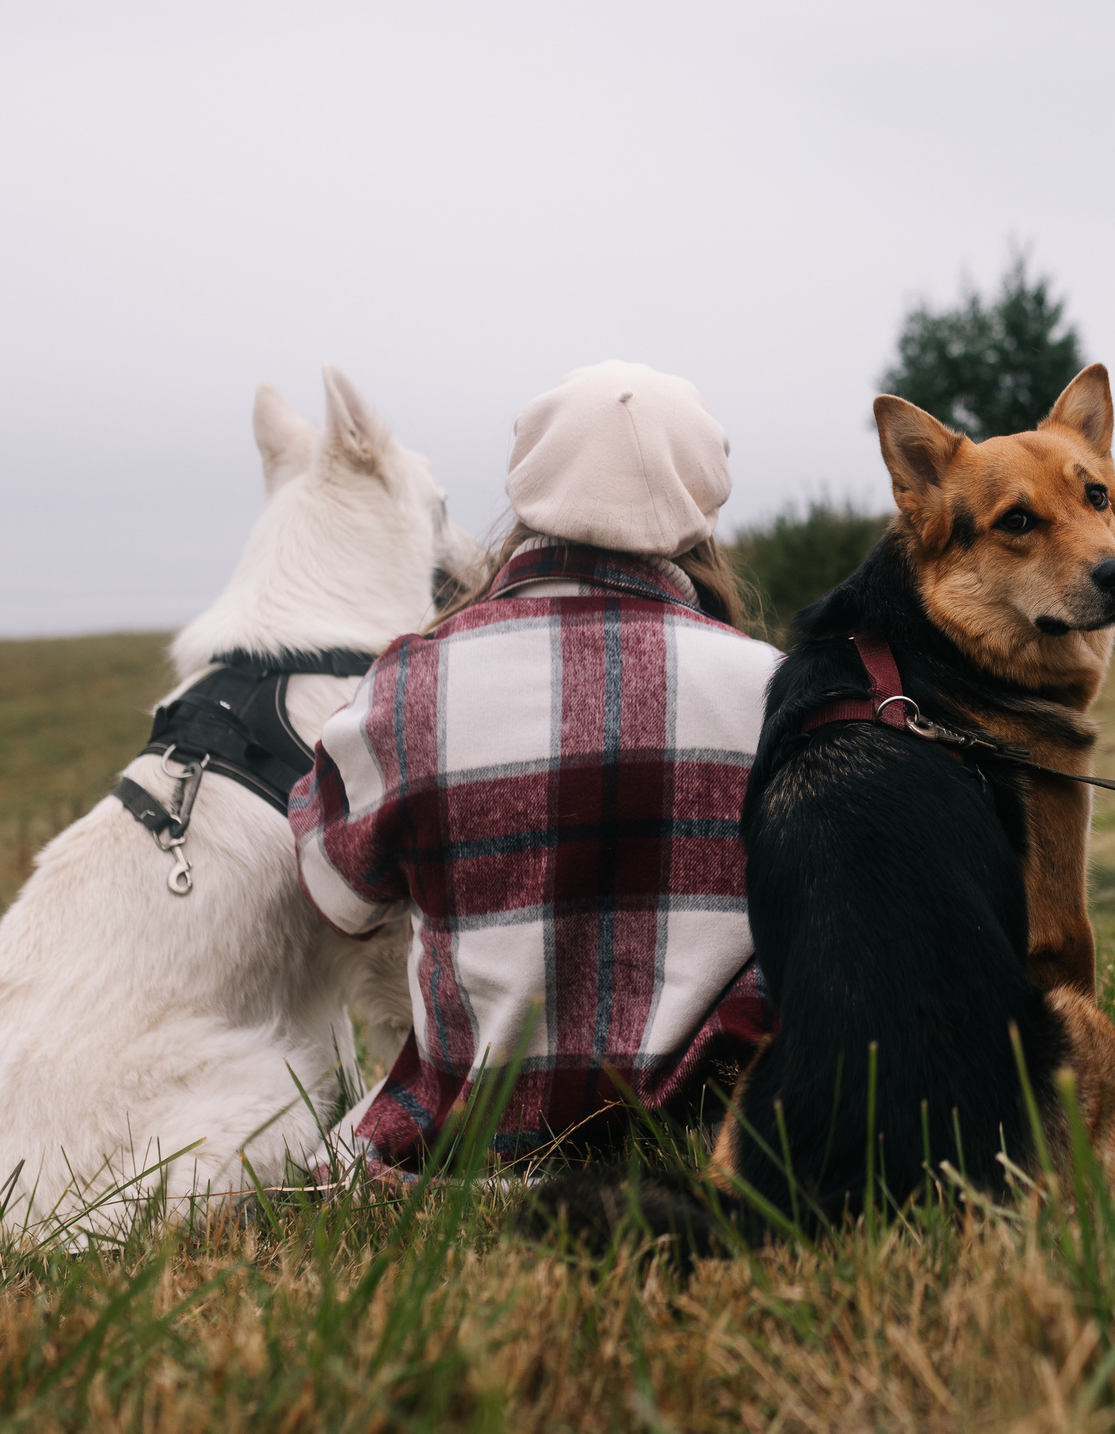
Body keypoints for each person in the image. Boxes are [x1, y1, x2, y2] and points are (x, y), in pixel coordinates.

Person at [294, 361, 780, 1169]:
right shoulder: (774, 690)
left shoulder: (410, 686)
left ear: (527, 496)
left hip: (461, 1155)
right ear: (702, 509)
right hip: (709, 1152)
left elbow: (338, 895)